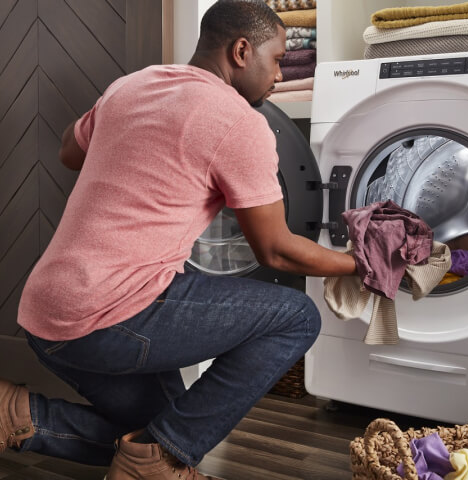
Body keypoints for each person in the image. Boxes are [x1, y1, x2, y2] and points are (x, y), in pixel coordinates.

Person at [0, 1, 356, 478]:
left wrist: (125, 132)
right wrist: (360, 264)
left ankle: (17, 416)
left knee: (164, 432)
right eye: (275, 60)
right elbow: (274, 250)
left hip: (45, 311)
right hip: (108, 317)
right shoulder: (239, 120)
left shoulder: (133, 85)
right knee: (295, 317)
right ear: (242, 50)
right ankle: (158, 465)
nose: (277, 75)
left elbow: (69, 150)